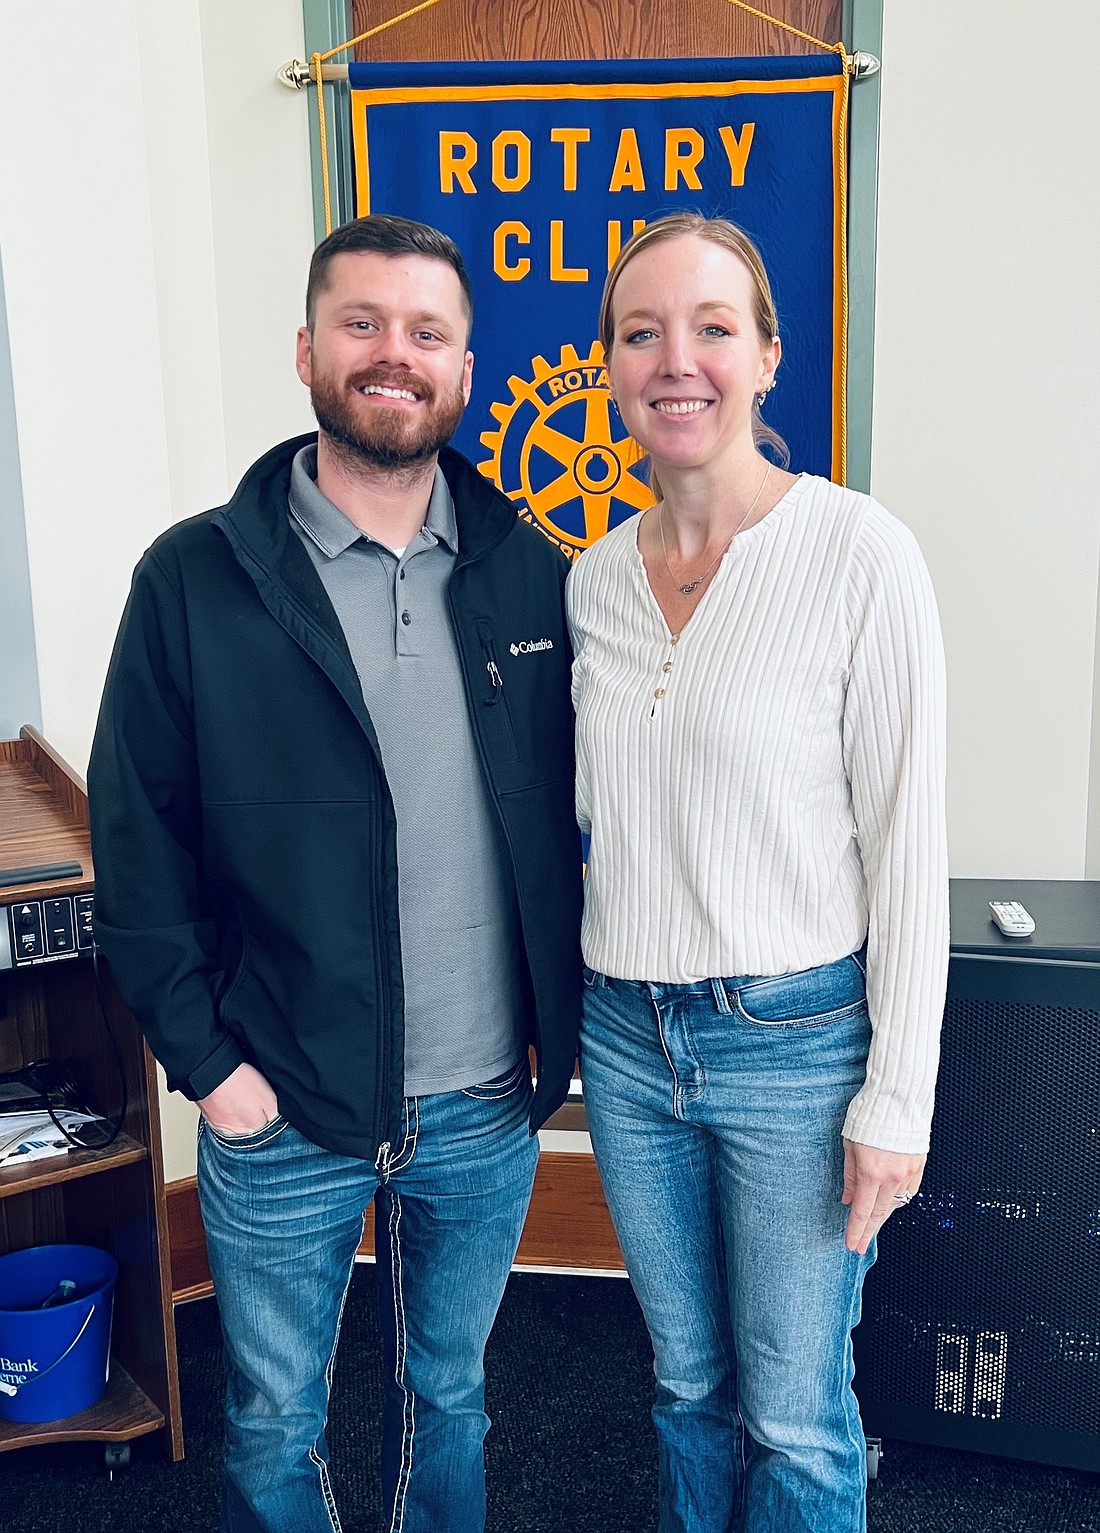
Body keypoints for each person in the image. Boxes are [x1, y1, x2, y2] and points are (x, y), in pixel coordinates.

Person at [88, 213, 582, 1533]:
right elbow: (136, 847)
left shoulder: (532, 573)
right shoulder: (194, 579)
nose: (392, 354)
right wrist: (214, 1069)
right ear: (307, 350)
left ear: (465, 368)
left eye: (426, 332)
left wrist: (559, 1029)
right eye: (361, 324)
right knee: (272, 1415)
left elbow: (577, 823)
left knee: (452, 1398)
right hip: (282, 1098)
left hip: (483, 1098)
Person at [566, 214, 948, 1532]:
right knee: (685, 1386)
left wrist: (899, 1096)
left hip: (797, 1045)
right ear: (611, 367)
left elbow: (909, 845)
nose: (677, 360)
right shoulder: (591, 584)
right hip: (628, 1039)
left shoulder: (860, 554)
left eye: (713, 328)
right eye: (643, 333)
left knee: (793, 1408)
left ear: (770, 357)